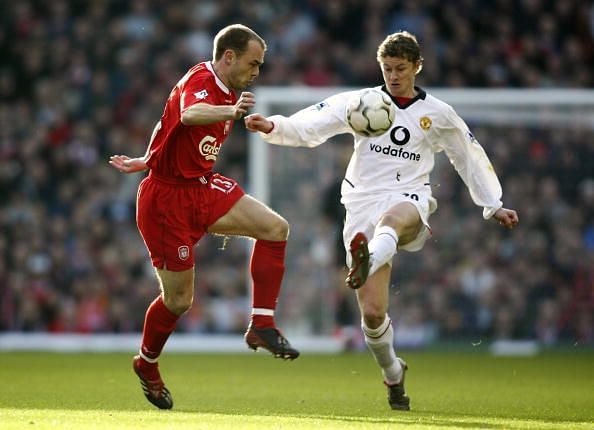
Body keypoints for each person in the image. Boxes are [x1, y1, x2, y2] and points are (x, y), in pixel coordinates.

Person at [244, 30, 519, 411]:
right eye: (387, 68)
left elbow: (467, 154)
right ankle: (393, 372)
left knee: (393, 219)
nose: (393, 76)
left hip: (409, 198)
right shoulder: (362, 103)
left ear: (417, 67)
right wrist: (273, 126)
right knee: (372, 315)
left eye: (401, 69)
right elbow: (312, 124)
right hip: (360, 203)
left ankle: (367, 259)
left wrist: (493, 203)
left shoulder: (437, 113)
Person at [108, 24, 299, 410]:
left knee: (275, 228)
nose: (256, 72)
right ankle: (146, 364)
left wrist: (147, 156)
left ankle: (261, 324)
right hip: (166, 202)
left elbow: (168, 124)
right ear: (228, 56)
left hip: (201, 187)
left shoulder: (228, 89)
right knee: (179, 301)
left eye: (260, 65)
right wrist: (230, 110)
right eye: (253, 63)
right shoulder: (202, 78)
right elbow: (190, 113)